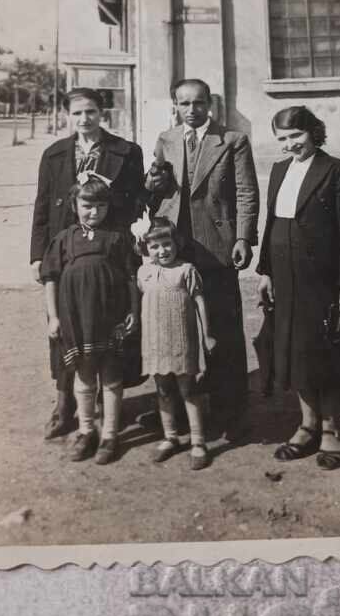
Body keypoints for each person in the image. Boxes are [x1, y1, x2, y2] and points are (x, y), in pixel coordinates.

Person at [145, 78, 259, 440]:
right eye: (184, 104)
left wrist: (243, 238)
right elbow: (158, 195)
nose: (191, 110)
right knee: (177, 328)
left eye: (198, 103)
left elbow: (246, 192)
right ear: (175, 106)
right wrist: (152, 184)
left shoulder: (232, 140)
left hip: (217, 247)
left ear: (209, 104)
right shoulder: (166, 139)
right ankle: (181, 409)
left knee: (223, 330)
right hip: (175, 252)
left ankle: (231, 413)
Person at [256, 105, 340, 469]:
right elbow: (272, 224)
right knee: (295, 352)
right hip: (284, 277)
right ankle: (307, 425)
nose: (290, 145)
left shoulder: (336, 170)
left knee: (326, 352)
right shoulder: (279, 170)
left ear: (313, 132)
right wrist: (265, 271)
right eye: (282, 139)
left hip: (322, 279)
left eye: (296, 136)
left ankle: (332, 428)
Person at [30, 87, 145, 439]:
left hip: (108, 254)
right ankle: (64, 405)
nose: (84, 119)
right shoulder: (54, 154)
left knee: (107, 327)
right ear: (67, 115)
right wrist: (38, 255)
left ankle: (108, 407)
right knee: (66, 329)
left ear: (102, 113)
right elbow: (42, 206)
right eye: (77, 113)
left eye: (91, 111)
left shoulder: (126, 152)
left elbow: (136, 203)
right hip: (65, 253)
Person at [41, 177, 139, 464]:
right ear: (75, 205)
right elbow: (50, 279)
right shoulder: (64, 238)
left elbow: (131, 278)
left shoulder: (117, 238)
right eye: (87, 206)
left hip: (111, 316)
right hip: (77, 318)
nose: (94, 212)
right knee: (84, 374)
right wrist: (54, 317)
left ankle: (110, 435)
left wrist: (134, 311)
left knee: (111, 374)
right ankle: (86, 431)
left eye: (101, 206)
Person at [138, 217, 216, 470]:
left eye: (166, 244)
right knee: (163, 389)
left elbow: (200, 302)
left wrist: (207, 334)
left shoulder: (186, 270)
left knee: (188, 389)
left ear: (176, 243)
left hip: (182, 340)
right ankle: (170, 437)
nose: (162, 251)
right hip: (155, 341)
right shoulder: (143, 273)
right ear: (146, 248)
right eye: (155, 246)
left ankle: (198, 441)